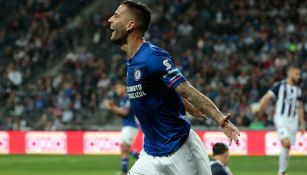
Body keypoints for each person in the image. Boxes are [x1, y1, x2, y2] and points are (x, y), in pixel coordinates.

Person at [108, 1, 240, 174]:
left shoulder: (152, 56)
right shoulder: (133, 62)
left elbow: (185, 88)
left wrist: (219, 118)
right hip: (151, 153)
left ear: (130, 24)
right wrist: (186, 105)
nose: (110, 19)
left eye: (116, 15)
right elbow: (162, 89)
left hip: (180, 148)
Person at [253, 65, 305, 175]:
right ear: (290, 73)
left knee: (287, 146)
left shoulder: (298, 90)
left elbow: (299, 107)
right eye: (296, 74)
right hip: (281, 119)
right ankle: (281, 172)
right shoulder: (280, 86)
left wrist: (302, 124)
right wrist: (259, 107)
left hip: (293, 121)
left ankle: (283, 171)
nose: (298, 76)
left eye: (299, 74)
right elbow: (268, 97)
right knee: (286, 142)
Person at [104, 82, 140, 175]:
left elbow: (125, 112)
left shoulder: (128, 98)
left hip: (131, 126)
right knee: (123, 148)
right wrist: (112, 108)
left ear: (124, 88)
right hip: (127, 126)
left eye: (118, 88)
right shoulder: (122, 100)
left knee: (126, 148)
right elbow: (121, 114)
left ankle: (141, 160)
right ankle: (124, 171)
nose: (117, 90)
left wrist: (112, 107)